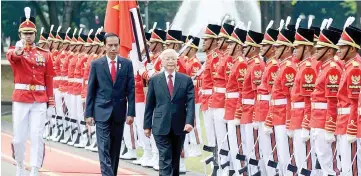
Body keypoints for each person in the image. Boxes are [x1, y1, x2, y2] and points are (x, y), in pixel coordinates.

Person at [7, 7, 55, 176]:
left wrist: (51, 100)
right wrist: (18, 51)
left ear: (35, 34)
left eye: (31, 33)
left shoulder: (45, 54)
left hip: (39, 99)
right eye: (25, 33)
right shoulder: (15, 50)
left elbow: (49, 78)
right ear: (20, 34)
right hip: (21, 99)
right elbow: (13, 57)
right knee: (19, 139)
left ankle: (34, 170)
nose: (28, 36)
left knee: (37, 136)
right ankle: (20, 164)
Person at [84, 32, 135, 176]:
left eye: (116, 45)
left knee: (115, 147)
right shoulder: (96, 64)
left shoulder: (126, 64)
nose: (113, 48)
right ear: (104, 46)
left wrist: (131, 112)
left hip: (119, 112)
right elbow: (91, 90)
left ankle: (112, 173)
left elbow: (130, 90)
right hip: (101, 111)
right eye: (110, 45)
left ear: (119, 46)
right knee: (103, 146)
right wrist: (88, 114)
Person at [143, 49, 195, 176]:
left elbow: (190, 103)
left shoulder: (186, 80)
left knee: (175, 159)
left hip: (179, 125)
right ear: (162, 61)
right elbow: (149, 105)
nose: (171, 61)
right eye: (168, 59)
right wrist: (147, 126)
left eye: (173, 58)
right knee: (165, 156)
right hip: (160, 125)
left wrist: (189, 122)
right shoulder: (155, 80)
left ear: (177, 61)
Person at [309, 26, 342, 175]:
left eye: (320, 48)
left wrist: (330, 126)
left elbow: (333, 101)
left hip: (324, 120)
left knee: (328, 163)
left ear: (329, 50)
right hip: (317, 118)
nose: (316, 50)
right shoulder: (324, 67)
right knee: (320, 161)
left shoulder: (332, 69)